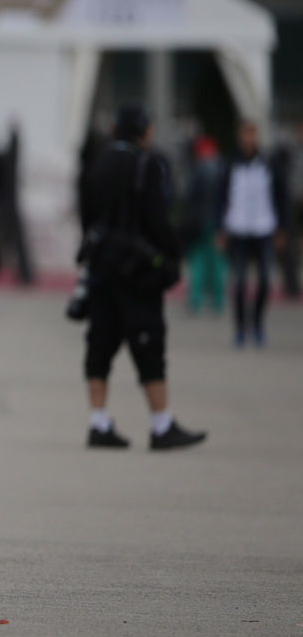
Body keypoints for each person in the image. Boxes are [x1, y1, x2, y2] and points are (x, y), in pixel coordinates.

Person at [78, 106, 205, 451]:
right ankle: (161, 425)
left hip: (102, 268)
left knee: (100, 344)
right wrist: (172, 253)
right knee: (149, 343)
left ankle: (98, 422)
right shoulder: (146, 164)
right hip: (137, 273)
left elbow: (86, 215)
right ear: (143, 131)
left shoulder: (97, 163)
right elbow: (157, 218)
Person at [215, 120, 288, 347]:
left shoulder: (268, 163)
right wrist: (220, 228)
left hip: (263, 227)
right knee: (239, 282)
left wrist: (281, 228)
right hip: (237, 228)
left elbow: (280, 198)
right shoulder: (230, 163)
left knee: (265, 279)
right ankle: (240, 328)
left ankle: (257, 323)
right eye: (245, 135)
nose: (248, 139)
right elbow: (219, 198)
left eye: (252, 135)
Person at [181, 135, 225, 315]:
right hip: (217, 222)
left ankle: (196, 300)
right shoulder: (222, 169)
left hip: (198, 221)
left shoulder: (197, 169)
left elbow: (186, 194)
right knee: (217, 262)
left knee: (197, 262)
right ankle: (218, 301)